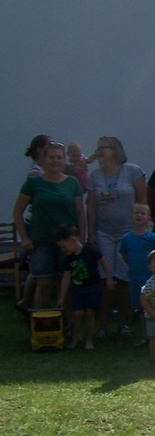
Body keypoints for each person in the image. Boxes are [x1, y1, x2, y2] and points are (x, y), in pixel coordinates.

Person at [87, 136, 148, 338]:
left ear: (116, 150)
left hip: (128, 232)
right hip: (104, 232)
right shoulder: (95, 176)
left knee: (124, 279)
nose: (99, 152)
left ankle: (123, 323)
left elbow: (143, 201)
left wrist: (143, 229)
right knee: (106, 278)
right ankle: (102, 325)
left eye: (103, 148)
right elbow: (91, 206)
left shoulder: (132, 171)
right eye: (98, 148)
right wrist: (90, 233)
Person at [13, 141, 85, 309]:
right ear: (44, 160)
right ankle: (42, 322)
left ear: (64, 160)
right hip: (41, 242)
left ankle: (68, 322)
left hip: (67, 242)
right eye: (51, 157)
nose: (55, 161)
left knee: (65, 284)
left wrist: (81, 238)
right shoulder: (33, 183)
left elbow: (80, 212)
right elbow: (17, 211)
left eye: (59, 158)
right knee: (44, 284)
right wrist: (24, 238)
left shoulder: (72, 183)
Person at [14, 134, 55, 316]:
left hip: (45, 225)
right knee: (38, 271)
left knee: (38, 271)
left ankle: (25, 303)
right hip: (35, 225)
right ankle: (30, 305)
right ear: (39, 150)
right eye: (50, 144)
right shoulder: (36, 173)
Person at [56, 224, 114, 350]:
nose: (63, 250)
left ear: (73, 240)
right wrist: (62, 297)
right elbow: (66, 278)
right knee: (77, 313)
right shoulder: (68, 259)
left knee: (89, 313)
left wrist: (109, 278)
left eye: (64, 246)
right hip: (77, 289)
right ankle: (75, 339)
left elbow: (103, 261)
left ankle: (89, 341)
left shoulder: (90, 251)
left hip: (93, 287)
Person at [119, 203, 155, 334]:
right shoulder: (126, 238)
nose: (139, 215)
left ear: (148, 218)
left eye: (143, 213)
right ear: (131, 216)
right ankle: (145, 335)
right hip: (134, 278)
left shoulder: (152, 237)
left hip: (151, 278)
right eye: (136, 213)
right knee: (141, 308)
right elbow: (125, 256)